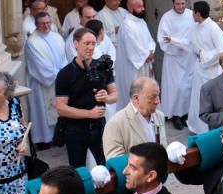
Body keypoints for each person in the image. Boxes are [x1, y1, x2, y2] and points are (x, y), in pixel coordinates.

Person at [55, 27, 118, 168]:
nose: (90, 47)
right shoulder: (65, 74)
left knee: (107, 167)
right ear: (76, 44)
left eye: (93, 44)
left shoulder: (102, 67)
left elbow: (115, 95)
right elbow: (61, 108)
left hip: (99, 127)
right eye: (86, 43)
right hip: (75, 130)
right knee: (79, 172)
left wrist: (106, 98)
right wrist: (89, 114)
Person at [180, 1, 223, 134]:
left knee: (211, 99)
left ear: (197, 13)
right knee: (197, 97)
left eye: (193, 12)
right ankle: (198, 127)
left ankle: (213, 128)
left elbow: (222, 49)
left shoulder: (213, 28)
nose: (191, 14)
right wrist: (173, 40)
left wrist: (205, 57)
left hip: (212, 71)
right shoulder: (196, 28)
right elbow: (191, 46)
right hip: (200, 70)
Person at [25, 12, 68, 147]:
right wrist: (60, 75)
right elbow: (40, 66)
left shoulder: (57, 37)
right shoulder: (32, 42)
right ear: (36, 25)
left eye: (48, 23)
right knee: (44, 114)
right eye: (42, 23)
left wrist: (64, 74)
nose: (46, 26)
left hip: (60, 81)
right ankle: (45, 141)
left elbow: (65, 58)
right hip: (43, 84)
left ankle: (60, 138)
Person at [157, 0, 196, 130]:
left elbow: (195, 34)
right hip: (173, 58)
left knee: (188, 86)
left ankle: (186, 113)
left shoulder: (191, 15)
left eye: (183, 3)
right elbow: (163, 38)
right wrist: (176, 46)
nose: (180, 6)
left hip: (188, 57)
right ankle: (174, 115)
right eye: (178, 4)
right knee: (175, 87)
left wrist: (186, 45)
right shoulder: (167, 17)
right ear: (173, 3)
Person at [103, 77, 168, 159]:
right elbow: (115, 162)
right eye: (153, 97)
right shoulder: (115, 124)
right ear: (136, 98)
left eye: (158, 95)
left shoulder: (159, 116)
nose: (157, 101)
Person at [116, 0, 157, 94]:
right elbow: (131, 46)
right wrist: (146, 55)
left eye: (143, 6)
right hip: (134, 66)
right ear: (130, 9)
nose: (143, 9)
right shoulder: (126, 24)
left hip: (145, 63)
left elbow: (150, 40)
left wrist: (151, 51)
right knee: (136, 91)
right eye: (139, 7)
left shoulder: (142, 22)